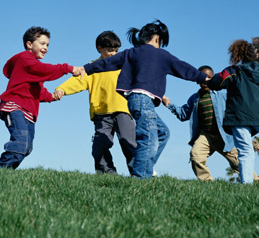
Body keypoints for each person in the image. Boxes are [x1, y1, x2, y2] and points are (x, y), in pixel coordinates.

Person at [82, 19, 210, 179]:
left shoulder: (131, 53)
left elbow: (108, 62)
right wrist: (204, 78)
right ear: (157, 38)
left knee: (163, 132)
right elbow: (183, 68)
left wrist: (86, 68)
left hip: (137, 101)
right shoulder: (160, 55)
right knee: (148, 136)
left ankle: (141, 165)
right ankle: (140, 177)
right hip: (142, 100)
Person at [0, 26, 84, 169]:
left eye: (48, 45)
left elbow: (38, 90)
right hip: (15, 106)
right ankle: (3, 171)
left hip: (29, 112)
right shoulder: (25, 59)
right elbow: (44, 70)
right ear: (29, 44)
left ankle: (6, 173)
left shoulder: (33, 67)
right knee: (20, 143)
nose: (46, 47)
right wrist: (68, 68)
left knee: (26, 148)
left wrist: (51, 96)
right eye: (42, 43)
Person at [54, 31, 136, 175]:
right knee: (99, 146)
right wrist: (61, 89)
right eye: (110, 50)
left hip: (123, 110)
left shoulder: (123, 66)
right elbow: (77, 81)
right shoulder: (94, 67)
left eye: (116, 51)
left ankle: (139, 174)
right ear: (100, 48)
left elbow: (141, 81)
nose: (113, 54)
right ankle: (107, 175)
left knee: (129, 143)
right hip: (101, 114)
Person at [207, 37, 259, 186]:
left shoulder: (234, 71)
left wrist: (208, 81)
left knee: (245, 150)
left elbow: (218, 82)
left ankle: (246, 185)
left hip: (238, 117)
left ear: (241, 55)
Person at [162, 65, 239, 181]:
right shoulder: (194, 98)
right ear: (197, 80)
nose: (207, 81)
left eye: (210, 77)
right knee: (196, 156)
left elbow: (239, 103)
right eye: (203, 78)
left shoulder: (223, 93)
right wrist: (169, 104)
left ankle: (256, 181)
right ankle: (208, 183)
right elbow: (183, 114)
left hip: (224, 136)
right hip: (206, 136)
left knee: (238, 163)